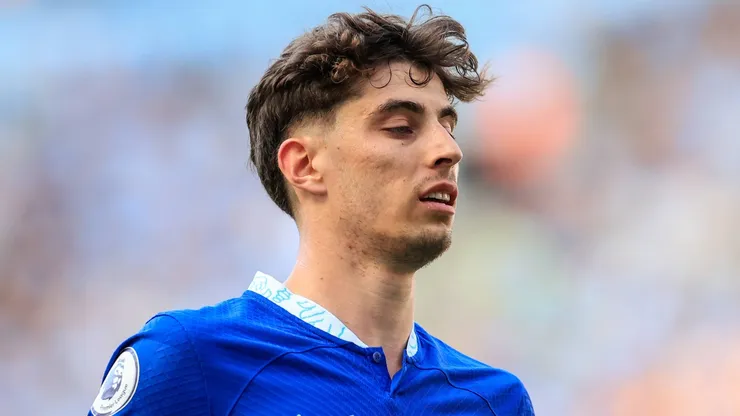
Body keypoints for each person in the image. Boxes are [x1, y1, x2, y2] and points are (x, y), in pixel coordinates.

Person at [88, 5, 535, 415]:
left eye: (448, 126)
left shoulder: (494, 400)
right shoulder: (193, 360)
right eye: (402, 127)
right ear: (304, 165)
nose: (449, 150)